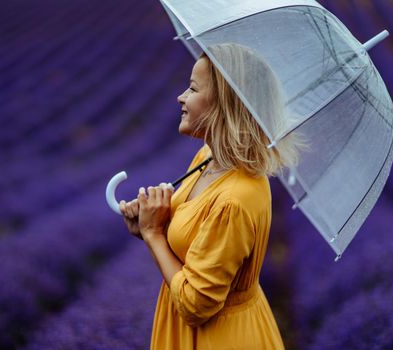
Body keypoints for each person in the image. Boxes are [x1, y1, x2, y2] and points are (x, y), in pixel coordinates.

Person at [119, 44, 302, 349]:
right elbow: (196, 246)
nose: (181, 97)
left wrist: (154, 236)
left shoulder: (235, 198)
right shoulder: (208, 158)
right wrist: (154, 223)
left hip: (219, 338)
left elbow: (196, 305)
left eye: (192, 89)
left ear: (224, 104)